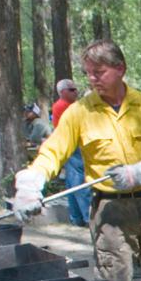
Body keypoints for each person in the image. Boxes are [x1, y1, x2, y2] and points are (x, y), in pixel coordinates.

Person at [13, 39, 141, 281]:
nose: (92, 79)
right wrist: (32, 183)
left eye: (99, 72)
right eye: (88, 73)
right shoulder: (80, 112)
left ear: (120, 69)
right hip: (110, 208)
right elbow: (53, 151)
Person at [53, 79, 90, 226]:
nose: (76, 92)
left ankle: (76, 217)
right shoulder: (65, 106)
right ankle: (88, 217)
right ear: (63, 92)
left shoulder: (68, 106)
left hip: (69, 144)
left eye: (76, 89)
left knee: (71, 182)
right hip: (73, 144)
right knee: (79, 181)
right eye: (72, 90)